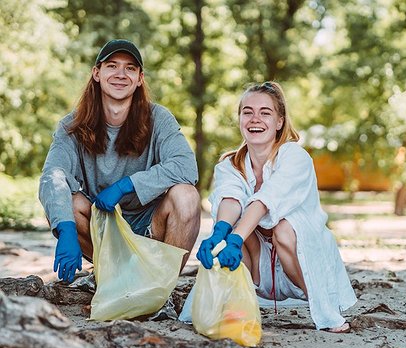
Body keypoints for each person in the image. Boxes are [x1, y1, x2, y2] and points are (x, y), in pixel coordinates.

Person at [196, 81, 356, 332]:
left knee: (283, 228)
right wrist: (219, 235)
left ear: (280, 121)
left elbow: (267, 199)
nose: (254, 119)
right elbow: (230, 198)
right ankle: (236, 307)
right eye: (247, 112)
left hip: (298, 262)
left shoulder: (295, 156)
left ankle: (324, 309)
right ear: (239, 119)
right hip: (258, 264)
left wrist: (236, 238)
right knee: (227, 227)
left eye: (265, 112)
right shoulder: (229, 164)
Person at [39, 39, 201, 284]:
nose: (120, 74)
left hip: (150, 226)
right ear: (97, 73)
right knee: (66, 204)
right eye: (112, 66)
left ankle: (160, 288)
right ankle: (114, 277)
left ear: (140, 78)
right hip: (102, 226)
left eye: (130, 68)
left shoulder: (159, 118)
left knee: (187, 196)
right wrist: (66, 230)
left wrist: (128, 185)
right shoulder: (72, 126)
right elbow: (52, 175)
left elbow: (186, 166)